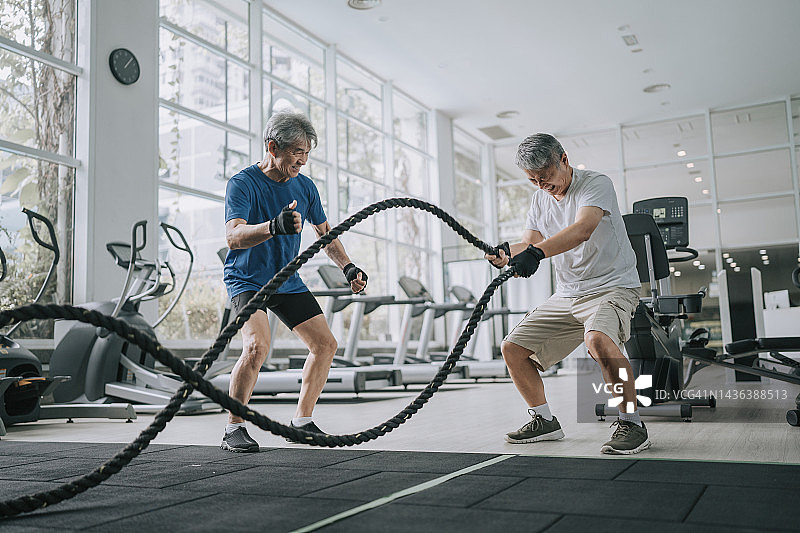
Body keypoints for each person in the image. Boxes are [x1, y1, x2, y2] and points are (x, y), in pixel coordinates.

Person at [486, 133, 650, 455]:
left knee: (599, 339)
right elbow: (530, 240)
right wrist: (508, 251)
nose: (541, 186)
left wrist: (534, 254)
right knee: (512, 348)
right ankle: (543, 420)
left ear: (563, 159)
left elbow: (581, 230)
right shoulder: (539, 199)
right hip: (568, 293)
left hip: (612, 286)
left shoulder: (595, 184)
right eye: (533, 181)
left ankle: (632, 423)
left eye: (545, 178)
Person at [221, 110, 367, 452]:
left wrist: (347, 266)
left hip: (286, 279)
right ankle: (234, 427)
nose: (301, 161)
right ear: (273, 147)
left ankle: (301, 422)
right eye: (296, 153)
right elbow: (233, 236)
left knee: (325, 345)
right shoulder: (242, 183)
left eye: (306, 154)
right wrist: (273, 226)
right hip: (247, 279)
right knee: (257, 347)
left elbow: (326, 235)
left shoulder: (305, 186)